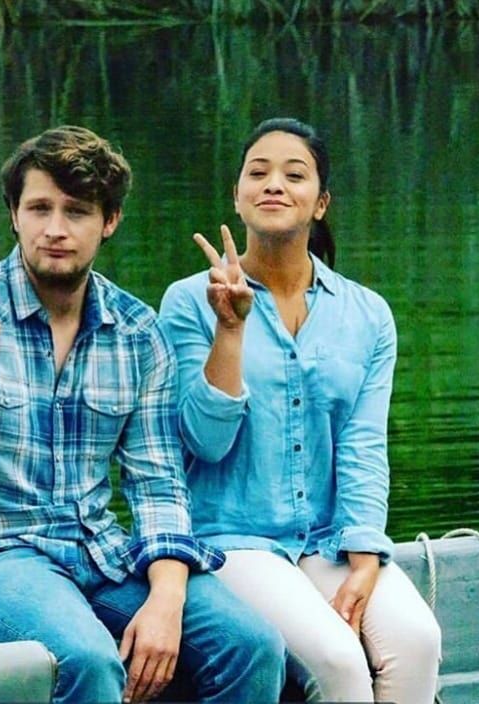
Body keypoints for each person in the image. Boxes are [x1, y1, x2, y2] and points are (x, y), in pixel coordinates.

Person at [0, 125, 286, 704]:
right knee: (87, 661)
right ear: (14, 215)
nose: (56, 229)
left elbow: (159, 484)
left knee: (251, 647)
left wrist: (166, 601)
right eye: (39, 208)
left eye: (77, 211)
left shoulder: (139, 333)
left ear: (108, 221)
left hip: (96, 552)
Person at [159, 117, 442, 703]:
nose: (274, 185)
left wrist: (365, 557)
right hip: (230, 538)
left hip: (327, 540)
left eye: (295, 175)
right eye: (257, 173)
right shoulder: (189, 301)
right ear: (237, 197)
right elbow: (201, 443)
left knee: (418, 640)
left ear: (320, 203)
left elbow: (364, 446)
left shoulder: (367, 315)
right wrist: (229, 329)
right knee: (340, 661)